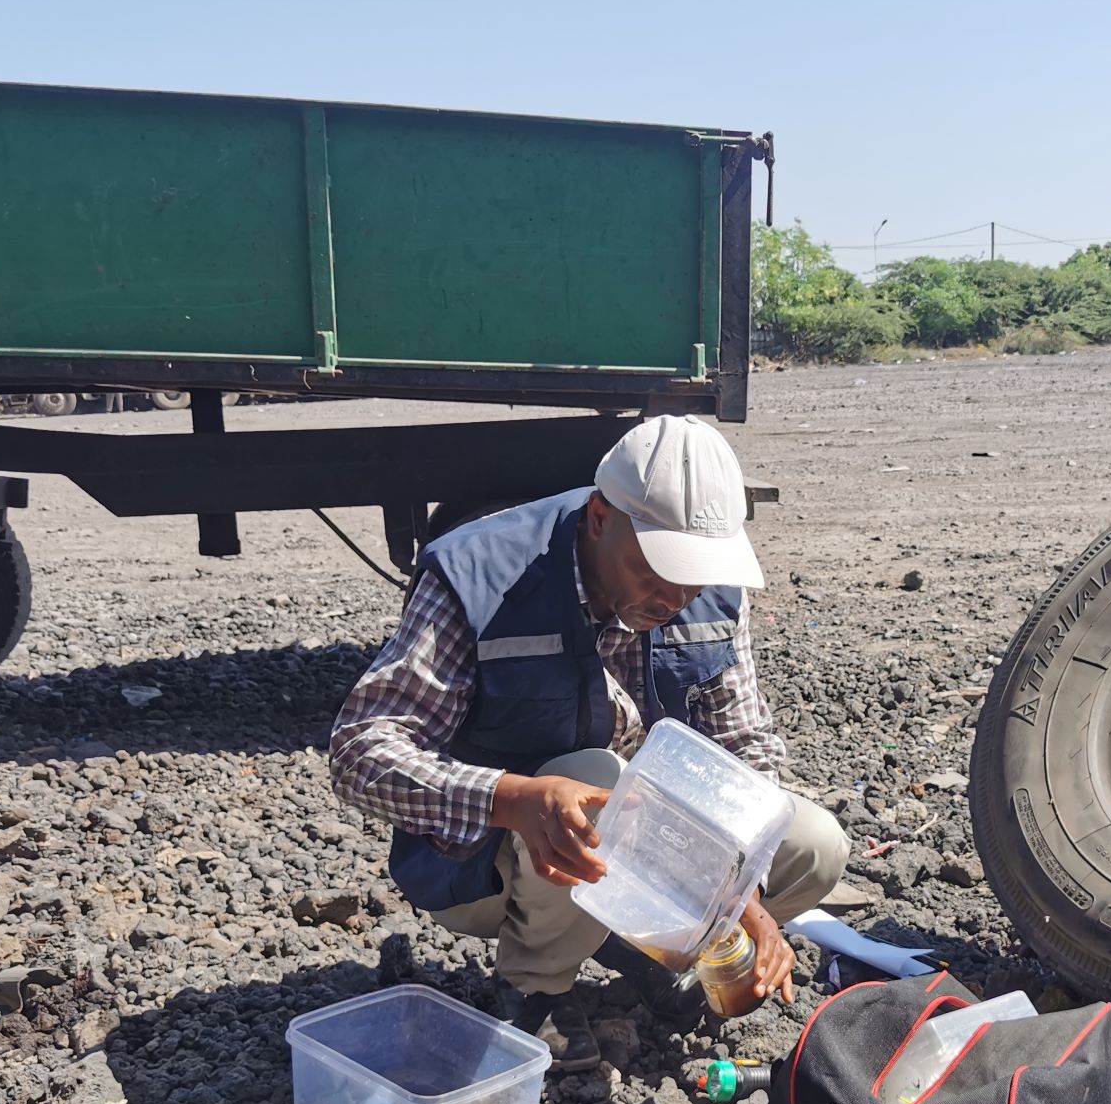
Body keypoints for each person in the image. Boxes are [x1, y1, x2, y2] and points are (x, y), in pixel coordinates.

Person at [329, 415, 849, 1070]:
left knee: (812, 846)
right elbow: (358, 750)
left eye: (695, 572)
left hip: (650, 850)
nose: (677, 594)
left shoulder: (706, 591)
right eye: (660, 566)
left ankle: (642, 945)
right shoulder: (479, 574)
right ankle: (533, 990)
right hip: (489, 867)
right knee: (596, 783)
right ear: (600, 516)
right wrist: (512, 797)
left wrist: (735, 888)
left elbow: (748, 749)